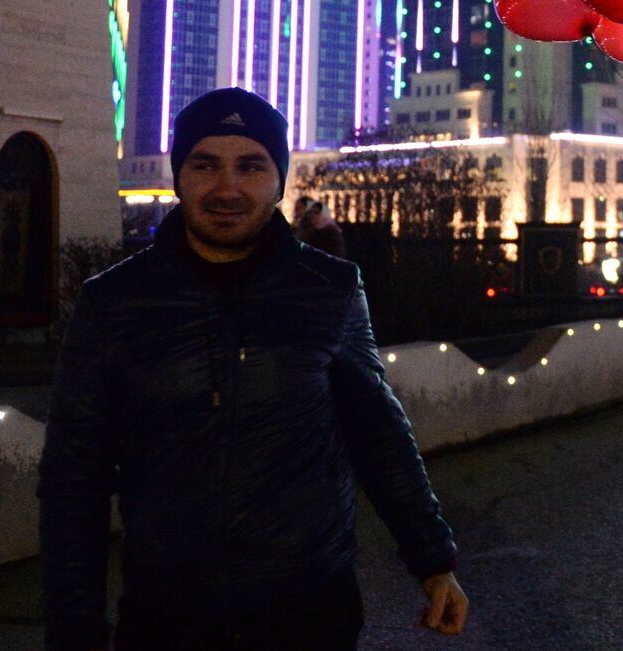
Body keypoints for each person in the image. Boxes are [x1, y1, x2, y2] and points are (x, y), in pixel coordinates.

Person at [38, 88, 467, 651]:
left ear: (279, 180)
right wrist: (74, 631)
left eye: (250, 166)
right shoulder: (114, 302)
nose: (227, 188)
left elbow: (378, 433)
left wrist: (433, 561)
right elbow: (74, 479)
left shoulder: (328, 289)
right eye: (205, 164)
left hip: (311, 613)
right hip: (167, 619)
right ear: (179, 176)